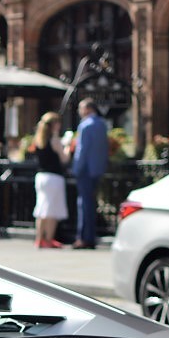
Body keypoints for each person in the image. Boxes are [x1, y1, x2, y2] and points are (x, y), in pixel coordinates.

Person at [70, 98, 109, 249]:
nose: (79, 112)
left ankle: (84, 238)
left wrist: (75, 169)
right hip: (97, 169)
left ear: (87, 109)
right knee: (90, 204)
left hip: (85, 170)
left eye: (81, 108)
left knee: (84, 204)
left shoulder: (85, 126)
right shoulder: (102, 124)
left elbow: (82, 150)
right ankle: (90, 237)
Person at [31, 112, 69, 249]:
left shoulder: (39, 139)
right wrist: (68, 148)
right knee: (51, 209)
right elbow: (64, 159)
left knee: (41, 208)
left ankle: (39, 238)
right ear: (54, 125)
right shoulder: (55, 140)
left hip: (41, 177)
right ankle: (48, 239)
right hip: (53, 177)